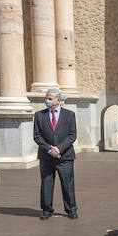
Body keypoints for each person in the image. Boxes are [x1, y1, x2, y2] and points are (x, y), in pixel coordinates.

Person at [33, 88, 77, 220]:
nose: (47, 100)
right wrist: (49, 149)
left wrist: (59, 148)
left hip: (65, 156)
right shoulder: (39, 115)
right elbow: (37, 136)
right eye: (46, 98)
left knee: (67, 184)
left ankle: (71, 210)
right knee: (46, 183)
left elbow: (72, 135)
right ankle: (47, 209)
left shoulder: (70, 115)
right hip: (46, 157)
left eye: (50, 98)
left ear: (58, 100)